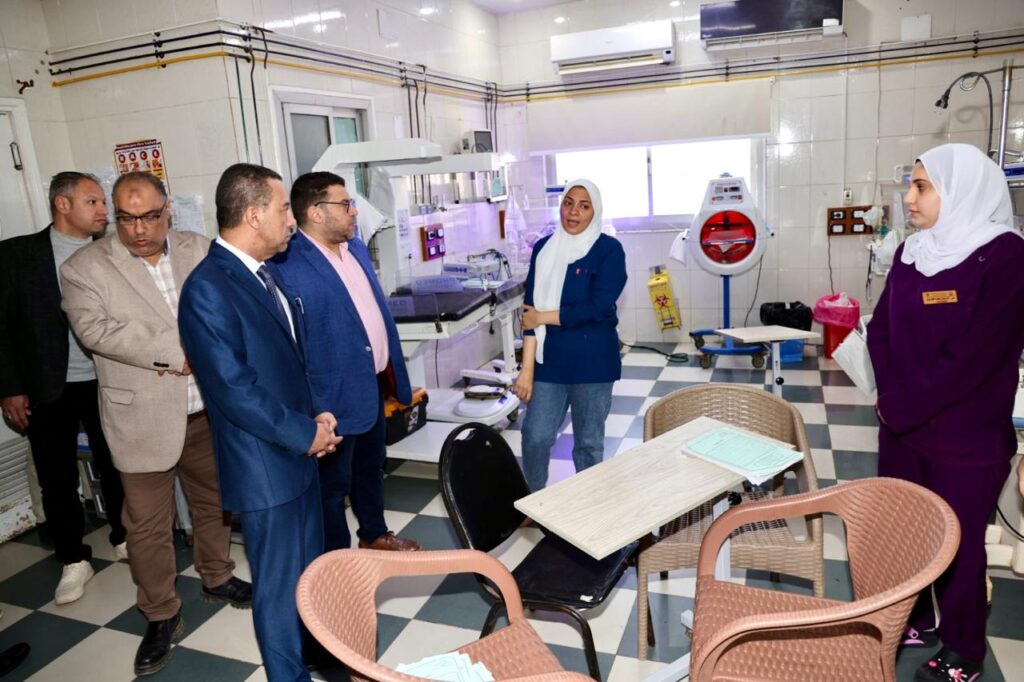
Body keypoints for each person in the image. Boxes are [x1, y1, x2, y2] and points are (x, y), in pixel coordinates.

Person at [60, 172, 252, 676]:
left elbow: (231, 304)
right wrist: (180, 348)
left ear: (168, 211)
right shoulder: (83, 268)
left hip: (206, 409)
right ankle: (161, 612)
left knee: (214, 502)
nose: (139, 229)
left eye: (149, 216)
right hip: (139, 417)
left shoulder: (199, 249)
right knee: (146, 525)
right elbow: (95, 331)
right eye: (126, 218)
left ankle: (217, 575)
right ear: (114, 216)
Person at [178, 163, 341, 682]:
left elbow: (285, 365)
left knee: (306, 577)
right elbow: (234, 389)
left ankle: (310, 655)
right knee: (278, 586)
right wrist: (304, 433)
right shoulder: (208, 288)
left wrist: (314, 416)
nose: (291, 220)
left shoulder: (263, 274)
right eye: (282, 209)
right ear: (253, 215)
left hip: (296, 452)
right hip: (265, 466)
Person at [867, 143, 1024, 682]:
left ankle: (964, 649)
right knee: (907, 531)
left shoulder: (1006, 257)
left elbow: (975, 355)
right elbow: (881, 330)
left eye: (921, 187)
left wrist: (902, 404)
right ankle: (915, 618)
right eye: (911, 186)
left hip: (966, 436)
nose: (909, 198)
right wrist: (891, 401)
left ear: (960, 191)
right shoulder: (913, 251)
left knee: (957, 545)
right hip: (901, 427)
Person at [271, 172, 420, 553]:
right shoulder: (286, 263)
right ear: (316, 212)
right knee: (331, 487)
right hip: (329, 399)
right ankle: (335, 560)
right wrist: (312, 405)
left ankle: (374, 534)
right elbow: (292, 345)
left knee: (371, 467)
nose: (354, 211)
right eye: (346, 204)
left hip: (369, 384)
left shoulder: (353, 247)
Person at [0, 171, 126, 605]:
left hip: (107, 379)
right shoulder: (17, 256)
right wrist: (10, 388)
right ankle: (73, 558)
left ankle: (124, 535)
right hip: (47, 385)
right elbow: (1, 329)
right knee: (56, 477)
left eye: (104, 203)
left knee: (117, 464)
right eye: (93, 202)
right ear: (63, 204)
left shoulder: (113, 251)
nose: (104, 211)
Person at [512, 179, 627, 491]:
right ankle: (535, 499)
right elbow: (530, 311)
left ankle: (588, 506)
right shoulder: (544, 248)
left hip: (593, 362)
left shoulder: (608, 250)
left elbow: (598, 308)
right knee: (535, 435)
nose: (573, 211)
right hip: (550, 360)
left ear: (594, 212)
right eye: (568, 203)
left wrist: (544, 317)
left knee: (588, 443)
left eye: (584, 206)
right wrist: (526, 369)